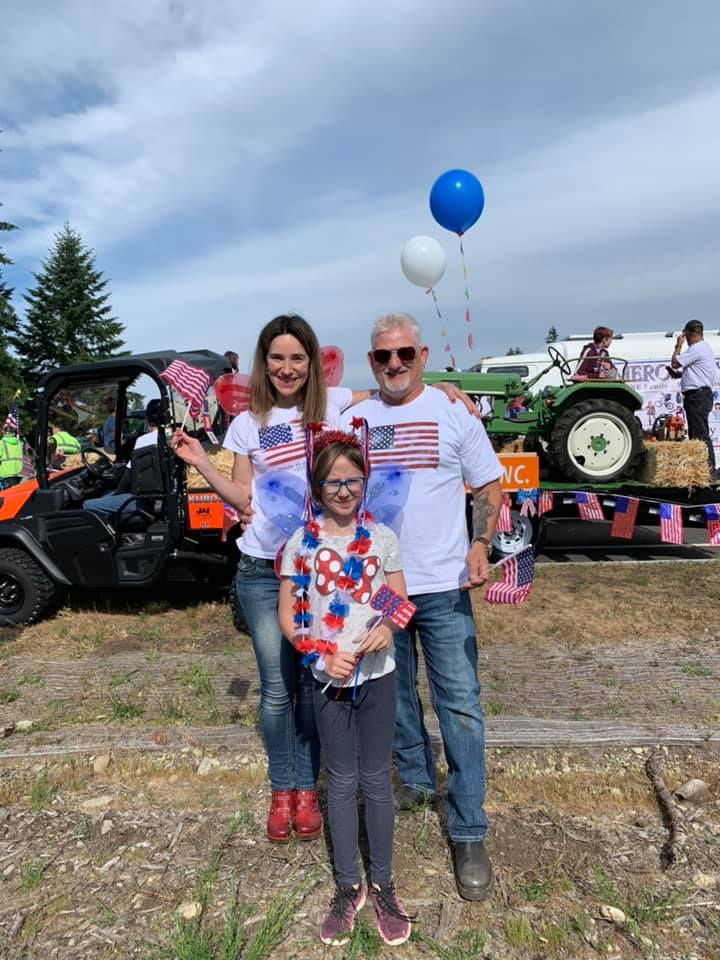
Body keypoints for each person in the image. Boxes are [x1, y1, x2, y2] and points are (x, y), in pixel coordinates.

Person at [173, 315, 357, 844]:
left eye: (297, 357)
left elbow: (395, 395)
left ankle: (308, 788)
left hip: (318, 569)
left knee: (312, 682)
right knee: (277, 689)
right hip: (261, 571)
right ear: (264, 362)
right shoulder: (247, 421)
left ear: (312, 362)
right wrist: (200, 461)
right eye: (277, 357)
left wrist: (448, 390)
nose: (287, 368)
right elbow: (242, 496)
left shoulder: (335, 403)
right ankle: (284, 790)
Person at [347, 312, 503, 901]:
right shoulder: (355, 417)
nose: (395, 364)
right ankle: (414, 778)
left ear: (423, 355)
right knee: (395, 689)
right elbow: (302, 401)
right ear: (371, 361)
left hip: (443, 584)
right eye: (383, 356)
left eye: (405, 354)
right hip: (384, 584)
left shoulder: (452, 412)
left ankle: (468, 829)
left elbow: (488, 485)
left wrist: (481, 543)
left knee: (459, 703)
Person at [278, 430, 413, 946]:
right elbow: (290, 615)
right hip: (328, 677)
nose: (343, 491)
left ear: (365, 481)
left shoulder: (381, 538)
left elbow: (398, 600)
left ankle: (383, 883)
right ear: (317, 487)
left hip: (378, 674)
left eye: (352, 480)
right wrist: (319, 654)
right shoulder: (301, 543)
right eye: (333, 482)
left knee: (376, 777)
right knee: (339, 779)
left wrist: (388, 627)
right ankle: (346, 885)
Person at [82, 399, 160, 518]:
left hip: (142, 500)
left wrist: (117, 493)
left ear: (146, 418)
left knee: (88, 504)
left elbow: (128, 476)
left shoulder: (144, 440)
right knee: (106, 494)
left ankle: (111, 530)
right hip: (160, 498)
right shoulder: (174, 439)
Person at [667, 320, 717, 476]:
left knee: (699, 434)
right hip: (701, 394)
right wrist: (679, 375)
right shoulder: (704, 348)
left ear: (688, 334)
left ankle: (708, 470)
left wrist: (678, 345)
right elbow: (696, 372)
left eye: (685, 336)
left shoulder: (696, 348)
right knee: (698, 433)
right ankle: (704, 469)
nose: (686, 340)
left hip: (697, 396)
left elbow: (675, 363)